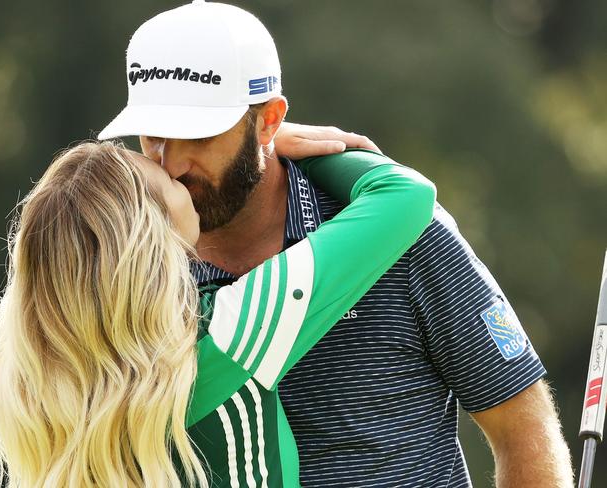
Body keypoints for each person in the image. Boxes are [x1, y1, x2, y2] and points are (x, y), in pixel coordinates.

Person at [97, 2, 575, 486]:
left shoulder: (398, 233)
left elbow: (521, 426)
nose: (171, 164)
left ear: (268, 121)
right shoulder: (129, 259)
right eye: (154, 136)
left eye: (198, 136)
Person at [0, 139, 436, 486]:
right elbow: (404, 194)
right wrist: (266, 144)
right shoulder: (222, 337)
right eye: (165, 179)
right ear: (149, 229)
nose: (173, 167)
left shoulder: (20, 381)